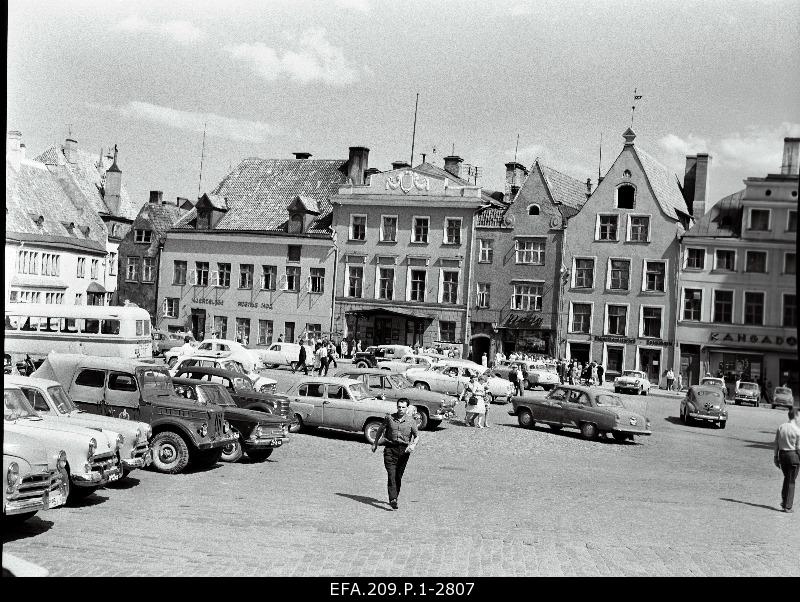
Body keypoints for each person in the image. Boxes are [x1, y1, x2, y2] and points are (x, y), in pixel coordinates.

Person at [372, 399, 419, 510]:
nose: (400, 409)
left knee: (398, 475)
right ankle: (393, 499)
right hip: (390, 449)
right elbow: (380, 430)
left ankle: (395, 496)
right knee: (391, 474)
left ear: (407, 408)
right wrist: (375, 443)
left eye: (403, 407)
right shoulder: (389, 418)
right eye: (399, 407)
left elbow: (417, 436)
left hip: (404, 451)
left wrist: (413, 445)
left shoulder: (411, 421)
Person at [773, 407, 800, 513]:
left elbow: (776, 443)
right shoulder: (797, 430)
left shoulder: (781, 427)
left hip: (782, 455)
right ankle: (787, 506)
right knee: (791, 481)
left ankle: (784, 501)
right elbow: (798, 448)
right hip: (793, 456)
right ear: (796, 416)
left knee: (787, 478)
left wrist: (776, 457)